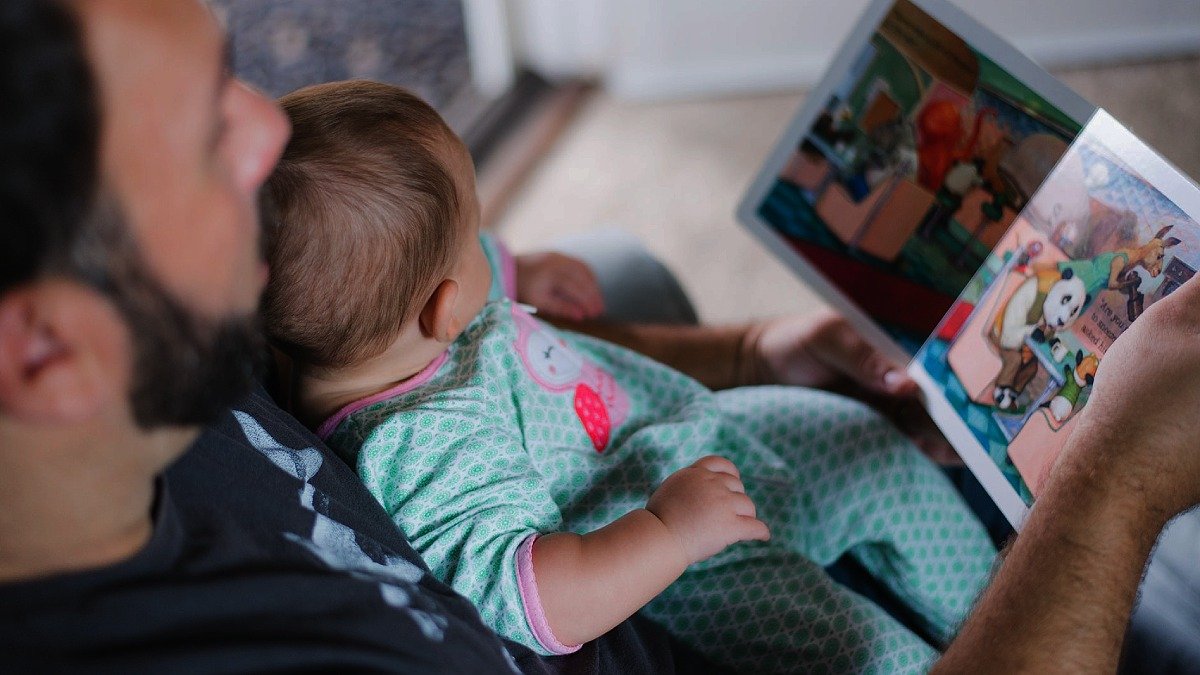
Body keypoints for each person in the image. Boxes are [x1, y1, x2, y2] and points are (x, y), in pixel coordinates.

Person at [0, 0, 1196, 673]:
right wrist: (1118, 484)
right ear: (46, 352)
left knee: (889, 416)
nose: (267, 127)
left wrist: (746, 349)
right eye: (208, 141)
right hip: (705, 579)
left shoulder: (207, 324)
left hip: (674, 450)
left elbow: (485, 344)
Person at [260, 79, 997, 672]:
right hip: (693, 566)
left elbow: (432, 262)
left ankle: (999, 611)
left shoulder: (370, 331)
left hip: (690, 433)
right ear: (445, 308)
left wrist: (516, 267)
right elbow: (532, 596)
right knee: (872, 655)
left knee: (866, 442)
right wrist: (668, 532)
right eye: (475, 236)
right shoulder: (422, 445)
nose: (488, 242)